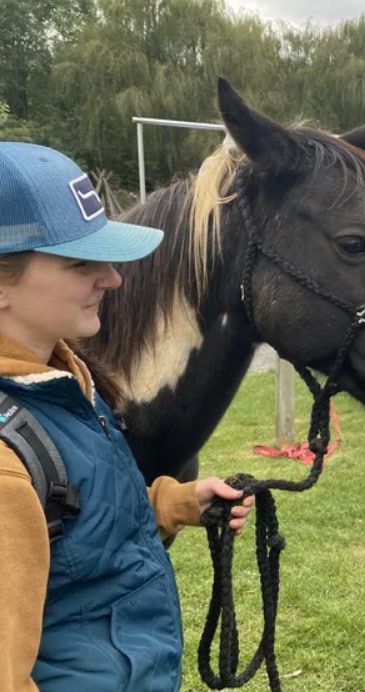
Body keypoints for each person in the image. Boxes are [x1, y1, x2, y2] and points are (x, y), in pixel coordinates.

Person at [0, 142, 254, 690]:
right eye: (80, 262)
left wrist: (177, 502)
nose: (113, 279)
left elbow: (72, 513)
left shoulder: (58, 380)